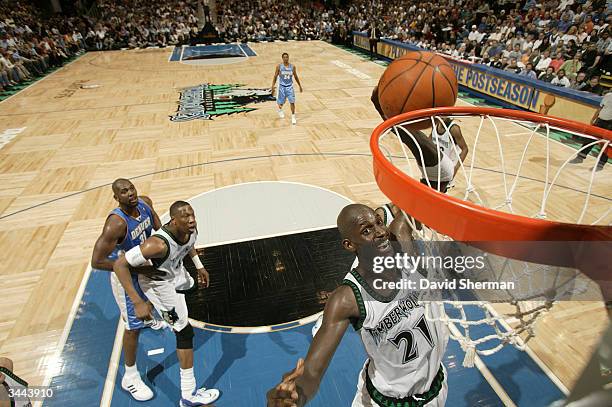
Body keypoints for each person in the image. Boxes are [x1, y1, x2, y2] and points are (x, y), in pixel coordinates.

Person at [267, 204, 449, 407]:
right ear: (349, 245)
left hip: (435, 391)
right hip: (384, 402)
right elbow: (312, 373)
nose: (380, 232)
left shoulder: (402, 243)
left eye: (378, 223)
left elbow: (429, 190)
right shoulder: (347, 299)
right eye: (366, 230)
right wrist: (296, 397)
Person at [113, 201, 220, 407]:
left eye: (192, 215)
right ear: (173, 220)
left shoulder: (191, 229)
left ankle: (167, 314)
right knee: (184, 332)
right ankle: (189, 396)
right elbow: (120, 265)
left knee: (191, 287)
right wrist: (137, 302)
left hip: (175, 271)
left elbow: (189, 246)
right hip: (157, 283)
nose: (191, 220)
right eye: (185, 217)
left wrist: (199, 266)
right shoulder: (157, 245)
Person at [91, 178, 162, 402]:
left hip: (144, 268)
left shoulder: (145, 204)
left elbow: (159, 231)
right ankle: (130, 376)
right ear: (116, 197)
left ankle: (149, 316)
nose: (130, 193)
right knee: (133, 328)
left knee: (156, 296)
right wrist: (135, 268)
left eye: (131, 188)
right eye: (124, 191)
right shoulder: (116, 224)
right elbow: (97, 261)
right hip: (126, 277)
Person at [370, 86, 469, 193]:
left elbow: (465, 149)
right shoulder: (437, 123)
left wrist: (455, 169)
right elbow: (430, 139)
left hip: (443, 170)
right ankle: (387, 113)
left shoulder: (454, 128)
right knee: (410, 136)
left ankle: (383, 109)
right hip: (433, 167)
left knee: (409, 136)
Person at [570, 88, 611, 171]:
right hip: (600, 120)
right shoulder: (608, 95)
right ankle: (580, 157)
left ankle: (601, 164)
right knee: (590, 138)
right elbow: (600, 108)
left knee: (607, 144)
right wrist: (594, 118)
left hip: (610, 123)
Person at [271, 52, 303, 125]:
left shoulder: (292, 67)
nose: (286, 58)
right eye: (284, 57)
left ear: (288, 58)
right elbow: (275, 76)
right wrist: (272, 85)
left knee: (292, 102)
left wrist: (300, 85)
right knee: (281, 103)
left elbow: (295, 76)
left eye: (287, 57)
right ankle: (280, 109)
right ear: (282, 58)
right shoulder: (279, 66)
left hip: (289, 87)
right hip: (282, 87)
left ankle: (293, 116)